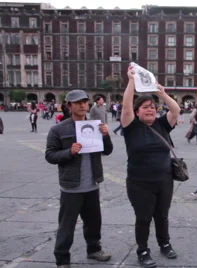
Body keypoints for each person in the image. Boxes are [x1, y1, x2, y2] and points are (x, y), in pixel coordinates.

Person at [45, 89, 113, 268]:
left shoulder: (95, 125)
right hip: (71, 187)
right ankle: (62, 259)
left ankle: (94, 249)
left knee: (93, 222)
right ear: (69, 106)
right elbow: (50, 156)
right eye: (78, 103)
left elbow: (107, 150)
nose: (83, 105)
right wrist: (69, 152)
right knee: (66, 225)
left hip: (92, 184)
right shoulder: (58, 129)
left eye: (85, 102)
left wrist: (106, 135)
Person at [120, 67, 180, 267]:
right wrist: (131, 81)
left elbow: (176, 110)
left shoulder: (162, 124)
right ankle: (143, 250)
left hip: (164, 180)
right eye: (145, 107)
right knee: (143, 217)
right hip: (139, 182)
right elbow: (126, 107)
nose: (150, 109)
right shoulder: (131, 127)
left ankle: (165, 244)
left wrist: (160, 93)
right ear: (137, 112)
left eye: (153, 107)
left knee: (162, 215)